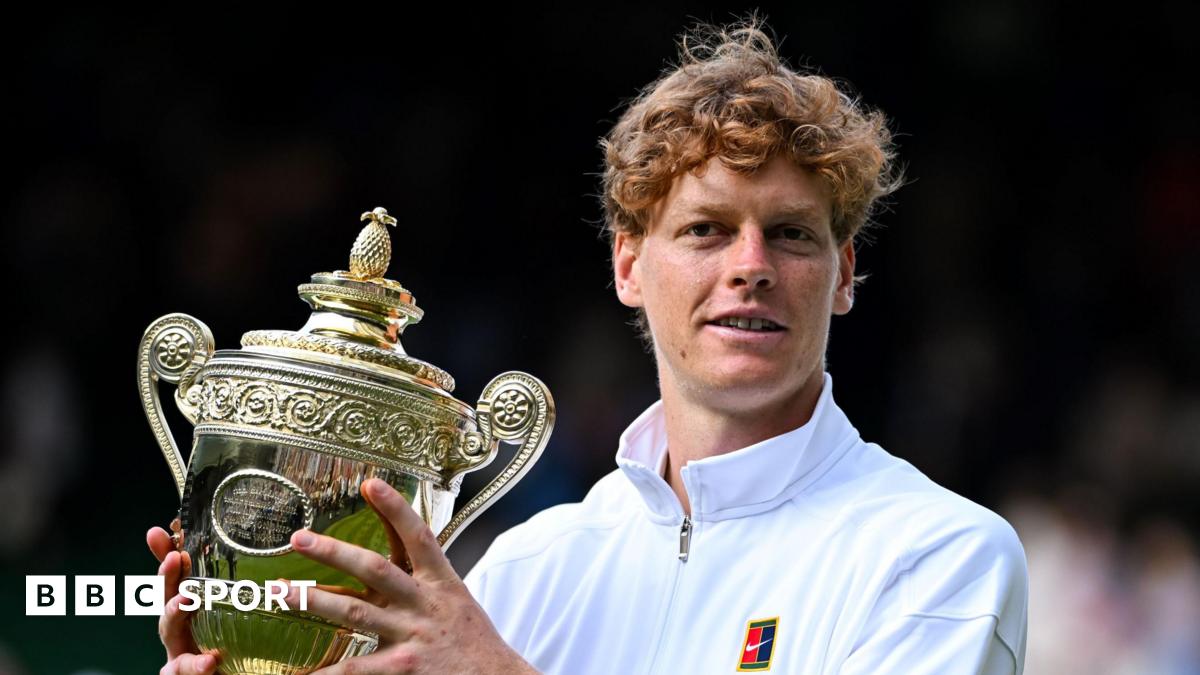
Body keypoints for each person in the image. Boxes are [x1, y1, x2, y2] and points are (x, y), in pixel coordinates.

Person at [149, 16, 1028, 675]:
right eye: (707, 230)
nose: (751, 267)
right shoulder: (528, 571)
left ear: (843, 276)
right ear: (630, 266)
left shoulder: (939, 554)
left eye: (793, 235)